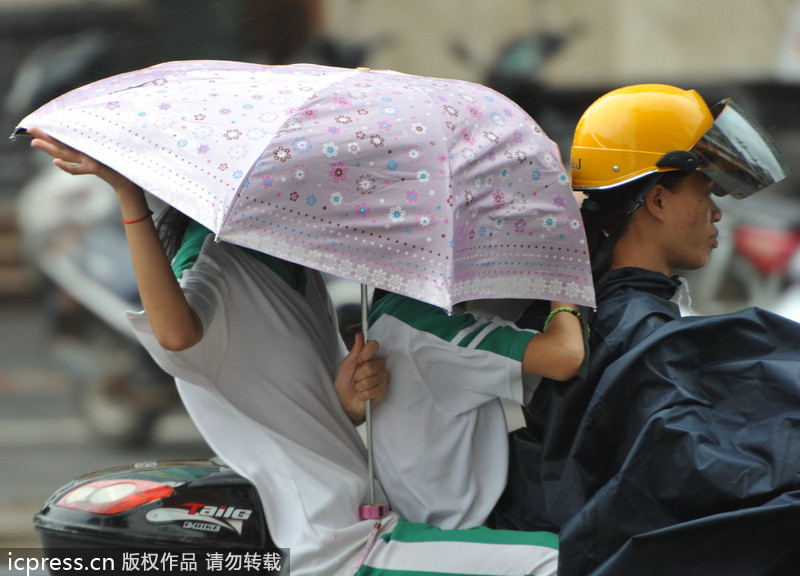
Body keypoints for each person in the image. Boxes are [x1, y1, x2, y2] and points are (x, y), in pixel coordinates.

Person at [29, 127, 561, 576]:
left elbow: (281, 401)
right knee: (562, 563)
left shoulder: (291, 261)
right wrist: (128, 195)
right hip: (340, 545)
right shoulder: (222, 262)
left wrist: (343, 402)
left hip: (368, 515)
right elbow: (176, 337)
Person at [491, 84, 800, 576]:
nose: (717, 211)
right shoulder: (631, 324)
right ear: (657, 199)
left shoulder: (591, 308)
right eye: (705, 191)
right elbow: (692, 461)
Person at [367, 289, 587, 531]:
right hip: (472, 525)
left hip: (436, 513)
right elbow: (565, 355)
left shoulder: (388, 317)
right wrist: (565, 278)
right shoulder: (428, 328)